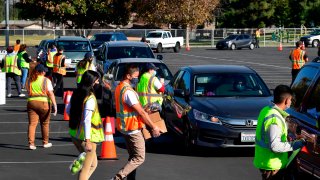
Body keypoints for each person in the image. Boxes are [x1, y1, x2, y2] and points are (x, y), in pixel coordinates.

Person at [111, 65, 162, 180]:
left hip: (124, 127)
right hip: (132, 128)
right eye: (135, 77)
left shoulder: (120, 87)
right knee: (139, 158)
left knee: (133, 157)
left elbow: (131, 109)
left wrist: (144, 108)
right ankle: (118, 177)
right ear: (128, 76)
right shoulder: (128, 92)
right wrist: (154, 127)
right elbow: (141, 113)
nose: (137, 79)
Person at [253, 85, 306, 180]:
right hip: (272, 165)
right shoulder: (274, 118)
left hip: (266, 162)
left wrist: (287, 139)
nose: (291, 102)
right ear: (286, 100)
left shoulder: (266, 110)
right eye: (290, 100)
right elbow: (275, 146)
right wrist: (294, 145)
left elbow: (268, 137)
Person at [68, 70, 104, 180]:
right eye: (97, 80)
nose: (98, 82)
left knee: (93, 164)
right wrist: (88, 141)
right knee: (86, 168)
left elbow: (68, 110)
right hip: (88, 138)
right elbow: (87, 121)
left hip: (75, 134)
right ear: (92, 82)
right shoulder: (90, 98)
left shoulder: (77, 93)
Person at [26, 64, 57, 150]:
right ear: (42, 72)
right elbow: (50, 93)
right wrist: (55, 105)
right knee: (45, 123)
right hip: (44, 102)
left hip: (31, 102)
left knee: (32, 124)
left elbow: (28, 90)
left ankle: (31, 144)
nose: (45, 72)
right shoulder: (46, 80)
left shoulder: (29, 80)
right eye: (44, 71)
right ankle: (45, 142)